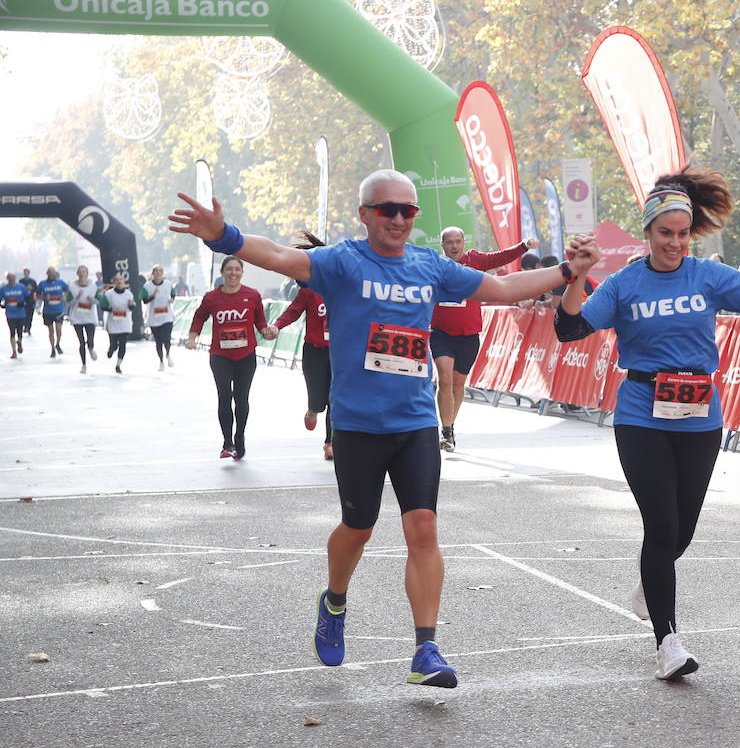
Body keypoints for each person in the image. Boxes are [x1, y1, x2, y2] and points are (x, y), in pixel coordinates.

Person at [169, 168, 591, 688]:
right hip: (358, 425)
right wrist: (222, 235)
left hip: (414, 421)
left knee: (424, 526)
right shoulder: (342, 261)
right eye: (386, 209)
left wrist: (567, 271)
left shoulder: (431, 265)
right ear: (365, 214)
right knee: (360, 527)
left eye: (407, 210)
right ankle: (335, 599)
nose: (397, 218)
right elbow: (279, 255)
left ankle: (426, 649)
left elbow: (503, 287)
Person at [554, 167, 740, 680]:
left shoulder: (708, 276)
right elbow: (569, 328)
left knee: (681, 530)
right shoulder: (625, 283)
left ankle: (651, 580)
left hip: (699, 413)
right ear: (647, 233)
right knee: (661, 524)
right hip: (642, 410)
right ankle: (667, 641)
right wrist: (576, 274)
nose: (674, 243)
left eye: (682, 233)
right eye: (665, 233)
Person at [432, 226, 537, 452]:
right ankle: (446, 430)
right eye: (449, 242)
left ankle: (450, 424)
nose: (454, 246)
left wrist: (523, 246)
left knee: (458, 384)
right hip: (440, 333)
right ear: (442, 245)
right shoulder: (434, 265)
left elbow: (501, 257)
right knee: (444, 379)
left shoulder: (475, 260)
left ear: (463, 242)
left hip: (468, 334)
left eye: (457, 241)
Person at [187, 255, 276, 458]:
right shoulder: (211, 297)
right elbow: (199, 317)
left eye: (237, 270)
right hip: (220, 355)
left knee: (241, 399)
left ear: (242, 273)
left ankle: (240, 437)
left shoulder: (252, 295)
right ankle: (227, 443)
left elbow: (260, 322)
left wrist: (267, 332)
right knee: (224, 397)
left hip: (246, 355)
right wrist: (192, 338)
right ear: (222, 273)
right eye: (229, 269)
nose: (233, 273)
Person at [272, 233, 334, 460]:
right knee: (318, 398)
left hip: (338, 351)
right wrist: (277, 325)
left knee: (336, 398)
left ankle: (330, 442)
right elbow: (294, 311)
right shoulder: (309, 290)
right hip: (314, 350)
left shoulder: (344, 287)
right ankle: (312, 409)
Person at [97, 272, 136, 373]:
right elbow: (103, 306)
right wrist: (111, 309)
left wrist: (131, 305)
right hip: (113, 323)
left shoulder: (129, 294)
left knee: (123, 344)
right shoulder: (109, 294)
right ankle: (111, 350)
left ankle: (118, 364)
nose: (119, 282)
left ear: (124, 282)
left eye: (121, 280)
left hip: (125, 322)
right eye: (117, 280)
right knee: (114, 344)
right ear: (114, 282)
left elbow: (132, 307)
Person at [140, 264, 177, 371]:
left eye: (160, 271)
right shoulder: (147, 286)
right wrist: (153, 296)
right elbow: (144, 300)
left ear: (163, 273)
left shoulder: (168, 283)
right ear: (152, 273)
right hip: (154, 318)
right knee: (159, 341)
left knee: (167, 338)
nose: (158, 273)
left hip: (167, 316)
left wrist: (172, 299)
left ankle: (168, 355)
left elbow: (173, 294)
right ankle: (161, 361)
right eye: (156, 271)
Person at [68, 265, 100, 373]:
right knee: (81, 342)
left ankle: (91, 348)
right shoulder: (72, 287)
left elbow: (98, 301)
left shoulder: (93, 287)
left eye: (84, 272)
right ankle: (84, 364)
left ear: (87, 273)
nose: (82, 274)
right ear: (77, 274)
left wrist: (93, 299)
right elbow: (69, 303)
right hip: (77, 318)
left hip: (90, 317)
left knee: (90, 339)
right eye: (80, 272)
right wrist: (77, 297)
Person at [35, 267, 70, 358]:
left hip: (59, 309)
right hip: (48, 311)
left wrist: (64, 297)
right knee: (51, 331)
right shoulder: (43, 284)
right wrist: (44, 297)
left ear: (55, 274)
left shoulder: (60, 282)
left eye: (53, 273)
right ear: (47, 274)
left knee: (59, 329)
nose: (51, 275)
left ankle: (57, 344)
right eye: (49, 273)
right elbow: (37, 295)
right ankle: (52, 349)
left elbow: (67, 290)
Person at [3, 272, 27, 358]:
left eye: (12, 278)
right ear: (7, 279)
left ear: (15, 278)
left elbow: (28, 298)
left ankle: (19, 342)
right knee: (12, 332)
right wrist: (3, 305)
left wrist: (23, 303)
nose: (11, 280)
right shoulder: (4, 289)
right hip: (10, 314)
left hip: (20, 314)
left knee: (19, 332)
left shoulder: (21, 287)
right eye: (9, 278)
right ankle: (14, 351)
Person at [18, 267, 37, 337]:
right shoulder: (21, 281)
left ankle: (28, 327)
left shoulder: (33, 281)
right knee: (24, 314)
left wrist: (35, 299)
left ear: (29, 273)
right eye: (24, 272)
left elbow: (35, 291)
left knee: (30, 315)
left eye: (27, 272)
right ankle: (25, 326)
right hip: (23, 300)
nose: (25, 274)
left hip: (31, 300)